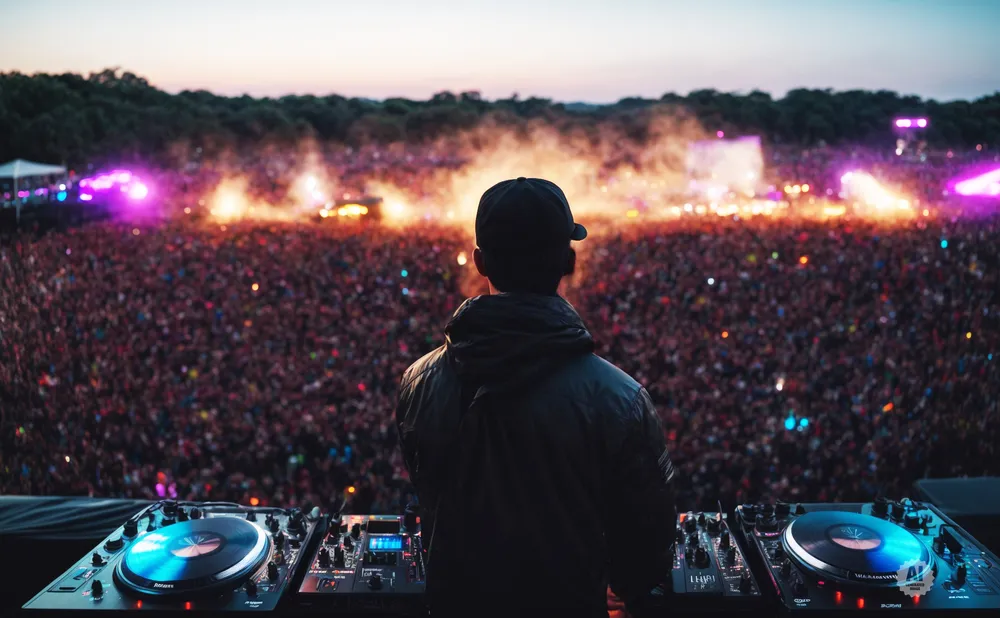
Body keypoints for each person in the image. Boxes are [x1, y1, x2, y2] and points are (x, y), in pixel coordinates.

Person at [395, 177, 678, 617]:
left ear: (481, 262)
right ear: (568, 260)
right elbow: (647, 547)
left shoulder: (417, 381)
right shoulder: (620, 399)